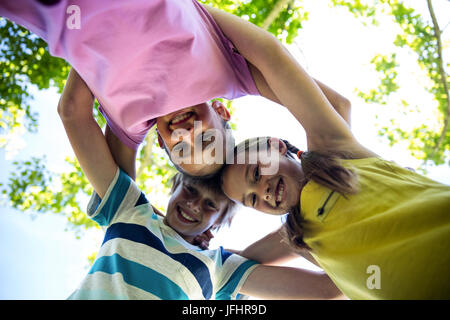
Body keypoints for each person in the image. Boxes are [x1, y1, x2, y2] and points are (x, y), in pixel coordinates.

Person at [202, 6, 450, 299]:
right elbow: (248, 260)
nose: (263, 191)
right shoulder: (301, 237)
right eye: (252, 199)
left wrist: (197, 18)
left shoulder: (333, 154)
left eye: (256, 173)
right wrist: (190, 243)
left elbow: (273, 59)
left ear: (275, 146)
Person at [59, 67, 344, 300]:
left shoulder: (220, 268)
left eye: (210, 206)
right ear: (173, 186)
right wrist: (97, 45)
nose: (194, 205)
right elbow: (72, 111)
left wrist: (302, 220)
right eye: (191, 190)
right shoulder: (130, 210)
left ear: (216, 226)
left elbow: (328, 289)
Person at [1, 0, 350, 178]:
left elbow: (121, 203)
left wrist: (88, 50)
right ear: (222, 111)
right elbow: (336, 105)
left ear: (161, 142)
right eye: (205, 138)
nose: (186, 134)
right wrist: (330, 160)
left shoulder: (129, 125)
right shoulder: (233, 74)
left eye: (180, 149)